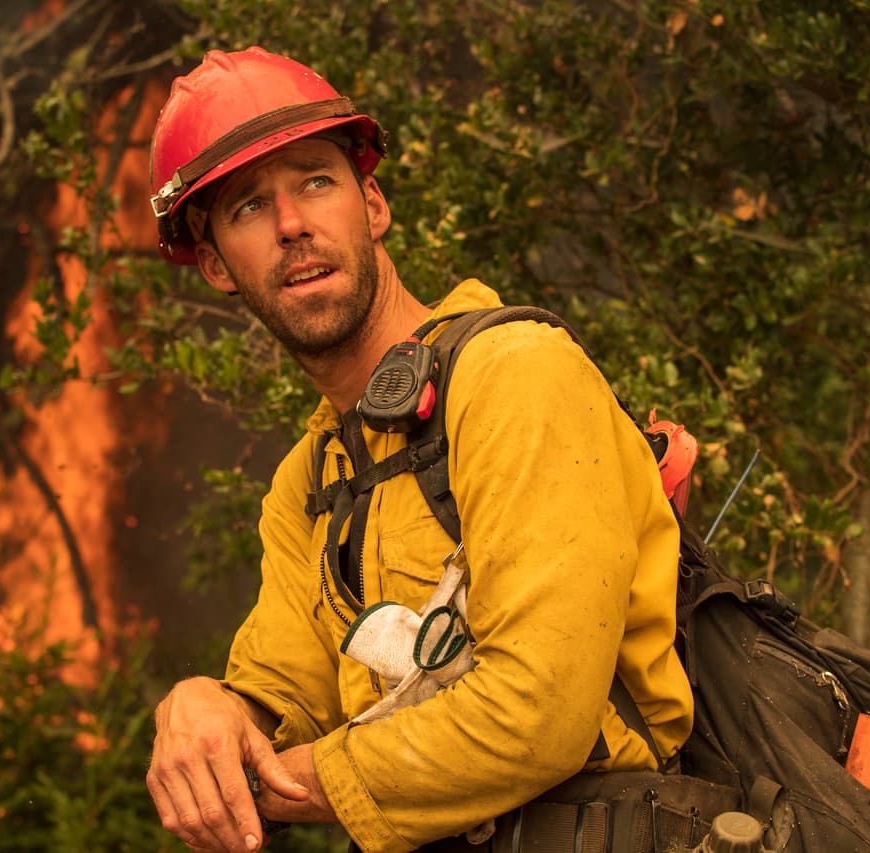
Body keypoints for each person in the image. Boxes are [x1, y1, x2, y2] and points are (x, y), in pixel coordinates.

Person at [144, 46, 693, 853]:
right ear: (220, 265)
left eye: (316, 182)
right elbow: (279, 685)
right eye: (249, 208)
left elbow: (539, 716)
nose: (292, 223)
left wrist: (276, 783)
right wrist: (206, 707)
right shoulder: (311, 482)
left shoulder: (515, 375)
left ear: (372, 205)